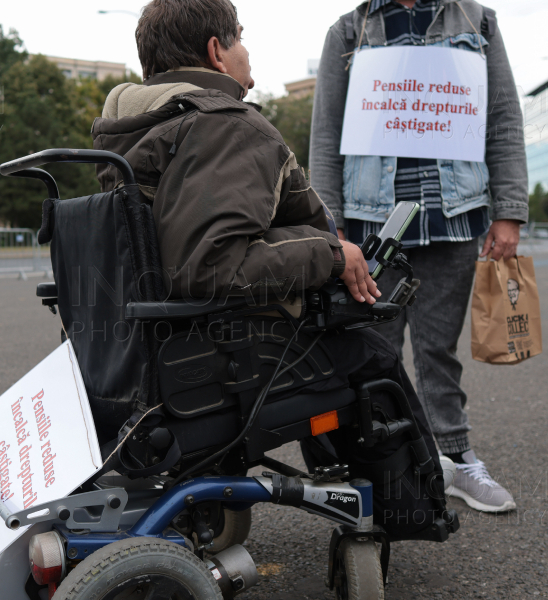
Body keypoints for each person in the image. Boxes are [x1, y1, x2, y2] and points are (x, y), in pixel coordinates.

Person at [91, 0, 452, 539]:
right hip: (216, 355)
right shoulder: (226, 126)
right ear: (217, 52)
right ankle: (412, 516)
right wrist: (332, 254)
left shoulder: (126, 129)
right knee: (369, 351)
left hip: (132, 350)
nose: (246, 48)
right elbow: (210, 265)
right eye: (240, 36)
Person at [309, 0, 528, 512]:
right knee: (370, 354)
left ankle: (455, 457)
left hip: (454, 218)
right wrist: (330, 226)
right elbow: (325, 134)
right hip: (369, 226)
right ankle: (379, 470)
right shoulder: (347, 32)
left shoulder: (479, 21)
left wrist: (509, 211)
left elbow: (502, 118)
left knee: (438, 352)